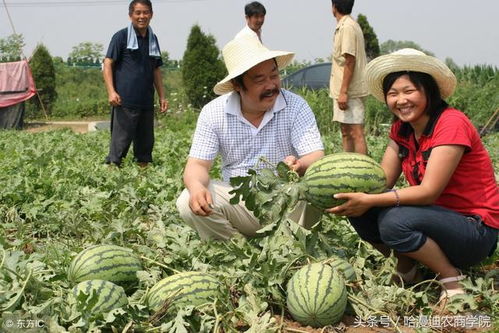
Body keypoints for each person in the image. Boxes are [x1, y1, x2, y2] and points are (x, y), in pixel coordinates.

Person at [327, 48, 498, 303]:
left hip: (473, 230)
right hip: (435, 221)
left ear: (428, 90)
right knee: (359, 209)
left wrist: (371, 200)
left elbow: (429, 192)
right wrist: (339, 183)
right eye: (393, 94)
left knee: (394, 220)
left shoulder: (451, 124)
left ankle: (451, 280)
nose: (401, 100)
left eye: (409, 91)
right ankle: (408, 271)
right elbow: (382, 180)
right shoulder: (402, 130)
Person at [176, 36, 325, 241]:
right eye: (260, 80)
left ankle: (293, 246)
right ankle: (237, 249)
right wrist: (196, 188)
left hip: (286, 202)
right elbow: (197, 165)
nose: (271, 85)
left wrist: (299, 164)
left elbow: (315, 155)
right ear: (237, 84)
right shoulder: (214, 112)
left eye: (274, 75)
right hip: (240, 204)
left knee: (315, 187)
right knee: (187, 201)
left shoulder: (296, 106)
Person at [103, 0, 168, 167]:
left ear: (151, 15)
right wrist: (111, 91)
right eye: (138, 13)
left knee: (145, 148)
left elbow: (156, 70)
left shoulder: (153, 39)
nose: (142, 16)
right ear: (130, 15)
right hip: (124, 101)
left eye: (145, 12)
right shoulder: (121, 37)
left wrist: (162, 96)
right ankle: (112, 182)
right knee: (119, 146)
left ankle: (142, 183)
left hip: (146, 101)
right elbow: (108, 63)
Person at [329, 0, 368, 155]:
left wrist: (344, 91)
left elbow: (350, 60)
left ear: (334, 7)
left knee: (356, 132)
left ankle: (363, 172)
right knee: (346, 131)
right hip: (344, 89)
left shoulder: (347, 27)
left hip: (350, 90)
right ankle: (348, 166)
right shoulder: (347, 25)